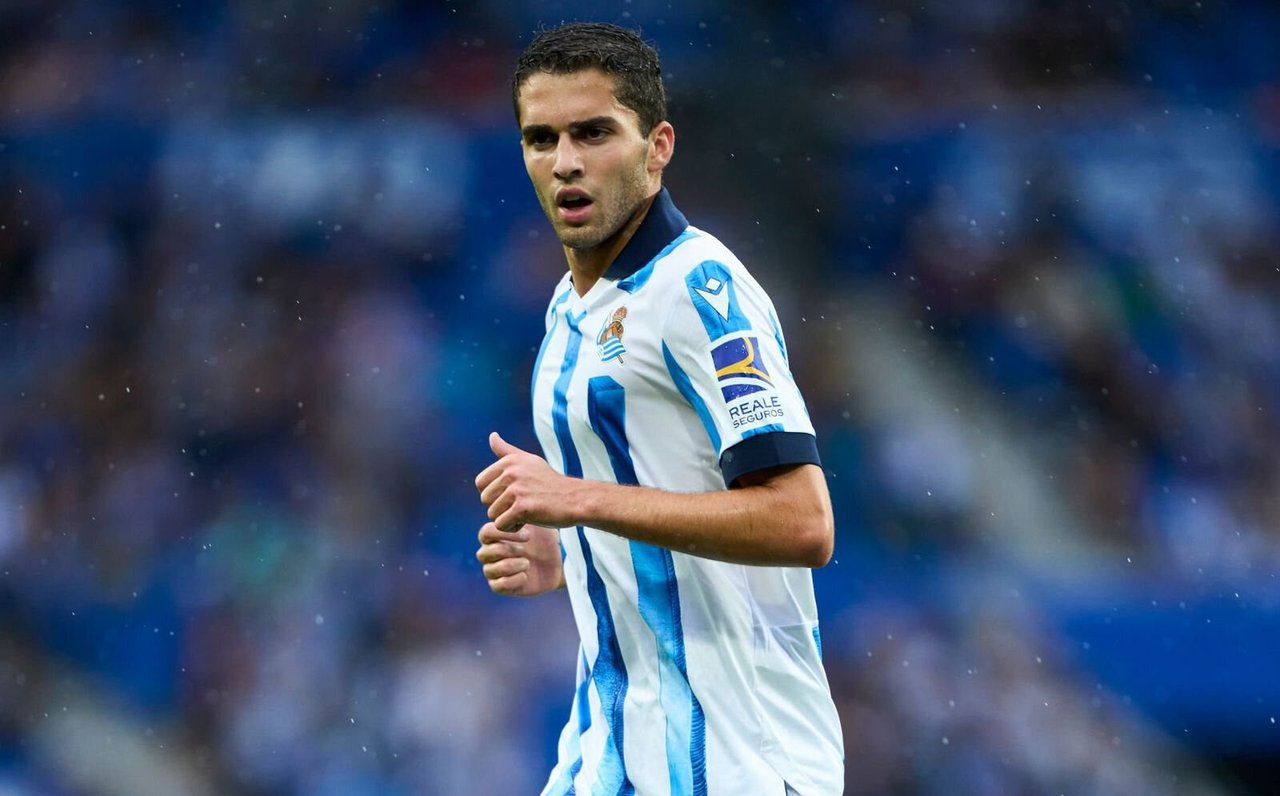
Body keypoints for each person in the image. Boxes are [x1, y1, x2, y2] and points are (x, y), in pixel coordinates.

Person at [474, 22, 843, 795]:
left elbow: (803, 522)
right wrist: (569, 559)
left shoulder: (701, 291)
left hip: (737, 761)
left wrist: (578, 502)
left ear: (658, 146)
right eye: (541, 138)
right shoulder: (568, 310)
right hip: (607, 752)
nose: (565, 161)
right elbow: (649, 506)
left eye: (593, 132)